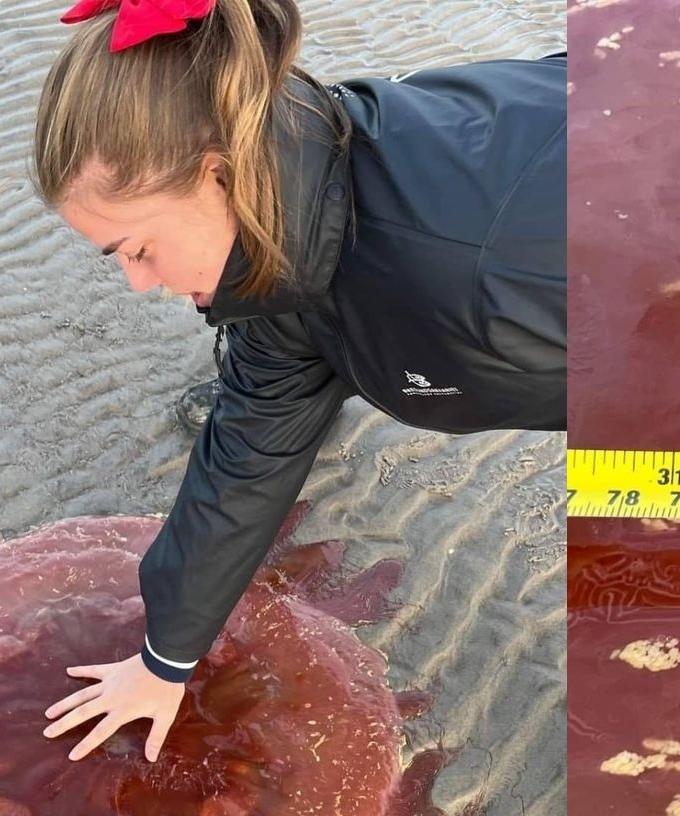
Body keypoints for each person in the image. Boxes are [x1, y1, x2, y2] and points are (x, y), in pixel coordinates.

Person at [35, 0, 565, 762]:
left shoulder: (481, 277)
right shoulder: (280, 248)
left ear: (217, 177)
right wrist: (164, 661)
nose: (137, 283)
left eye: (139, 249)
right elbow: (248, 456)